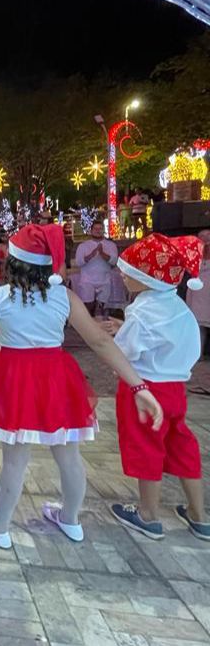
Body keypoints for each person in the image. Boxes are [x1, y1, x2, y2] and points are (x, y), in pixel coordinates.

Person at [0, 224, 160, 549]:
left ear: (12, 262)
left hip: (15, 381)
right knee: (69, 457)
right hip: (57, 380)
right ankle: (70, 520)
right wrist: (139, 386)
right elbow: (100, 341)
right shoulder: (64, 297)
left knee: (15, 461)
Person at [104, 234, 210, 540]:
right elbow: (176, 343)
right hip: (175, 388)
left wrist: (119, 335)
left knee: (146, 447)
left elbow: (123, 353)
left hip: (145, 389)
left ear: (148, 278)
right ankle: (199, 515)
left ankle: (148, 515)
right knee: (182, 445)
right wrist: (125, 327)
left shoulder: (141, 311)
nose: (122, 275)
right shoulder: (178, 307)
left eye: (129, 271)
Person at [74, 220, 119, 317]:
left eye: (100, 228)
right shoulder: (83, 246)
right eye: (95, 229)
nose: (98, 231)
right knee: (88, 308)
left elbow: (114, 261)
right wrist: (91, 255)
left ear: (103, 230)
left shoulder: (111, 245)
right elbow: (79, 262)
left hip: (105, 280)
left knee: (104, 309)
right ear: (91, 231)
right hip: (87, 280)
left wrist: (102, 254)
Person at [187, 229, 210, 367]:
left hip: (206, 292)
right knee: (198, 324)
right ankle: (198, 353)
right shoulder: (195, 255)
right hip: (197, 292)